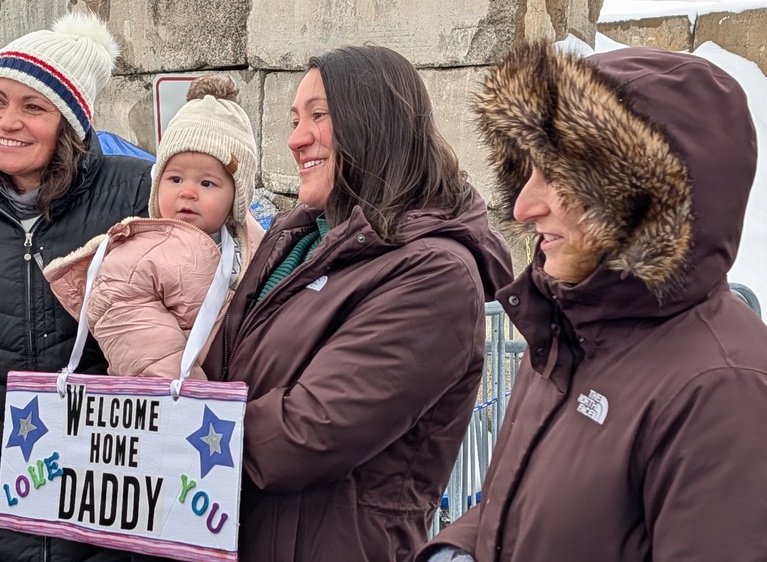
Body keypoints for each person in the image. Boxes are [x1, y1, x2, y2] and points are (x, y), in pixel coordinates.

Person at [417, 41, 767, 562]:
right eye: (527, 169)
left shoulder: (724, 392)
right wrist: (458, 550)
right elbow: (515, 507)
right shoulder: (569, 329)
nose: (523, 206)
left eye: (557, 176)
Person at [200, 45, 514, 562]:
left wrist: (172, 437)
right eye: (294, 119)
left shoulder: (435, 274)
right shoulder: (291, 238)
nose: (295, 139)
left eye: (319, 116)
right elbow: (220, 371)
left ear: (376, 123)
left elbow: (310, 432)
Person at [0, 12, 152, 561]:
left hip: (108, 519)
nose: (6, 121)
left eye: (33, 106)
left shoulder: (137, 195)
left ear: (70, 124)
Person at [44, 74, 263, 380]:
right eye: (175, 179)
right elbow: (149, 359)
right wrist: (208, 407)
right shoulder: (130, 262)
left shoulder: (257, 243)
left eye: (207, 182)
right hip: (189, 413)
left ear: (236, 198)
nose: (187, 192)